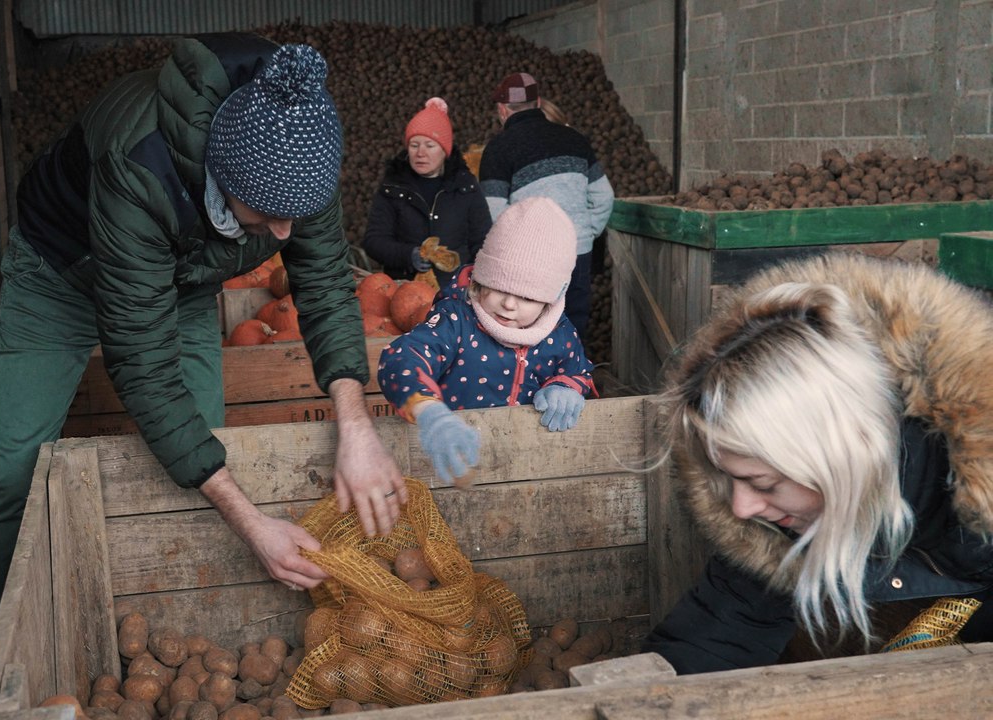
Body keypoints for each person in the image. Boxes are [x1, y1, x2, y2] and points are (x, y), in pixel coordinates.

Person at [0, 36, 406, 719]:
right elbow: (141, 365)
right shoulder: (137, 161)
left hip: (181, 275)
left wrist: (355, 424)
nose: (285, 230)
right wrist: (250, 520)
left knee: (204, 450)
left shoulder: (298, 149)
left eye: (297, 214)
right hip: (62, 269)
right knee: (10, 476)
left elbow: (323, 283)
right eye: (266, 216)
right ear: (223, 173)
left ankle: (197, 645)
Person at [643, 253, 993, 675]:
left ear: (842, 458)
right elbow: (723, 629)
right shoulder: (787, 523)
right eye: (732, 479)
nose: (742, 507)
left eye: (764, 483)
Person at [377, 198, 595, 485]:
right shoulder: (456, 320)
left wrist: (566, 387)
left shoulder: (560, 332)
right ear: (481, 278)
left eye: (527, 297)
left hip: (529, 469)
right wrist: (427, 410)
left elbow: (578, 371)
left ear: (550, 300)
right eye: (498, 286)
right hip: (450, 469)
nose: (508, 304)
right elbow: (402, 356)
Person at [479, 72, 614, 337]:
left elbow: (494, 216)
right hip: (578, 252)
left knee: (532, 333)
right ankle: (571, 377)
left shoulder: (498, 149)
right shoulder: (575, 139)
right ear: (538, 102)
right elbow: (604, 197)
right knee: (573, 329)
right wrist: (583, 234)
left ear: (502, 110)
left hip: (529, 260)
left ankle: (534, 379)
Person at [363, 97, 491, 288]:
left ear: (444, 151)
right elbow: (374, 241)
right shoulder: (393, 188)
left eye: (429, 146)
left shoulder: (466, 187)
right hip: (404, 287)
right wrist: (409, 255)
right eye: (414, 145)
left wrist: (473, 280)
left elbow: (483, 241)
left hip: (456, 290)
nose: (420, 153)